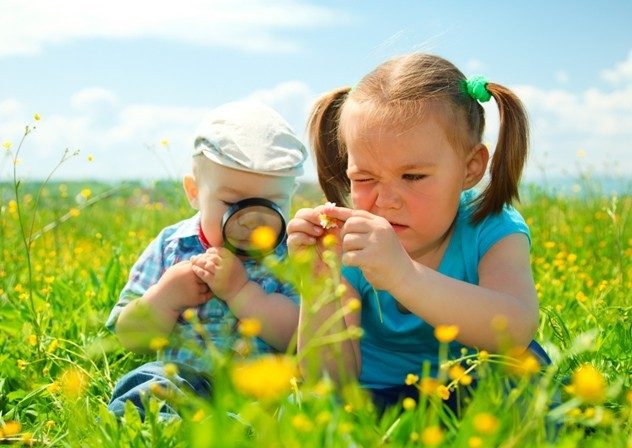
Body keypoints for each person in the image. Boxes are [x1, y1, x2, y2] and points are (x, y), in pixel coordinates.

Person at [287, 53, 552, 411]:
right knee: (303, 406)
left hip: (476, 387)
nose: (386, 201)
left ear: (470, 168)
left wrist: (403, 276)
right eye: (364, 179)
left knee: (526, 377)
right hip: (378, 395)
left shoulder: (491, 226)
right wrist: (317, 281)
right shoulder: (348, 241)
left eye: (412, 177)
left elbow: (516, 330)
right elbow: (329, 380)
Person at [106, 100, 308, 418]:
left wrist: (242, 293)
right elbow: (129, 335)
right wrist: (165, 296)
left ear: (291, 195)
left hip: (263, 385)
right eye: (231, 202)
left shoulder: (292, 254)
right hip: (182, 377)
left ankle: (245, 434)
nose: (251, 219)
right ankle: (167, 429)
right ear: (194, 192)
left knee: (298, 403)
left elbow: (300, 338)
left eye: (271, 203)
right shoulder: (171, 246)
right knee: (148, 383)